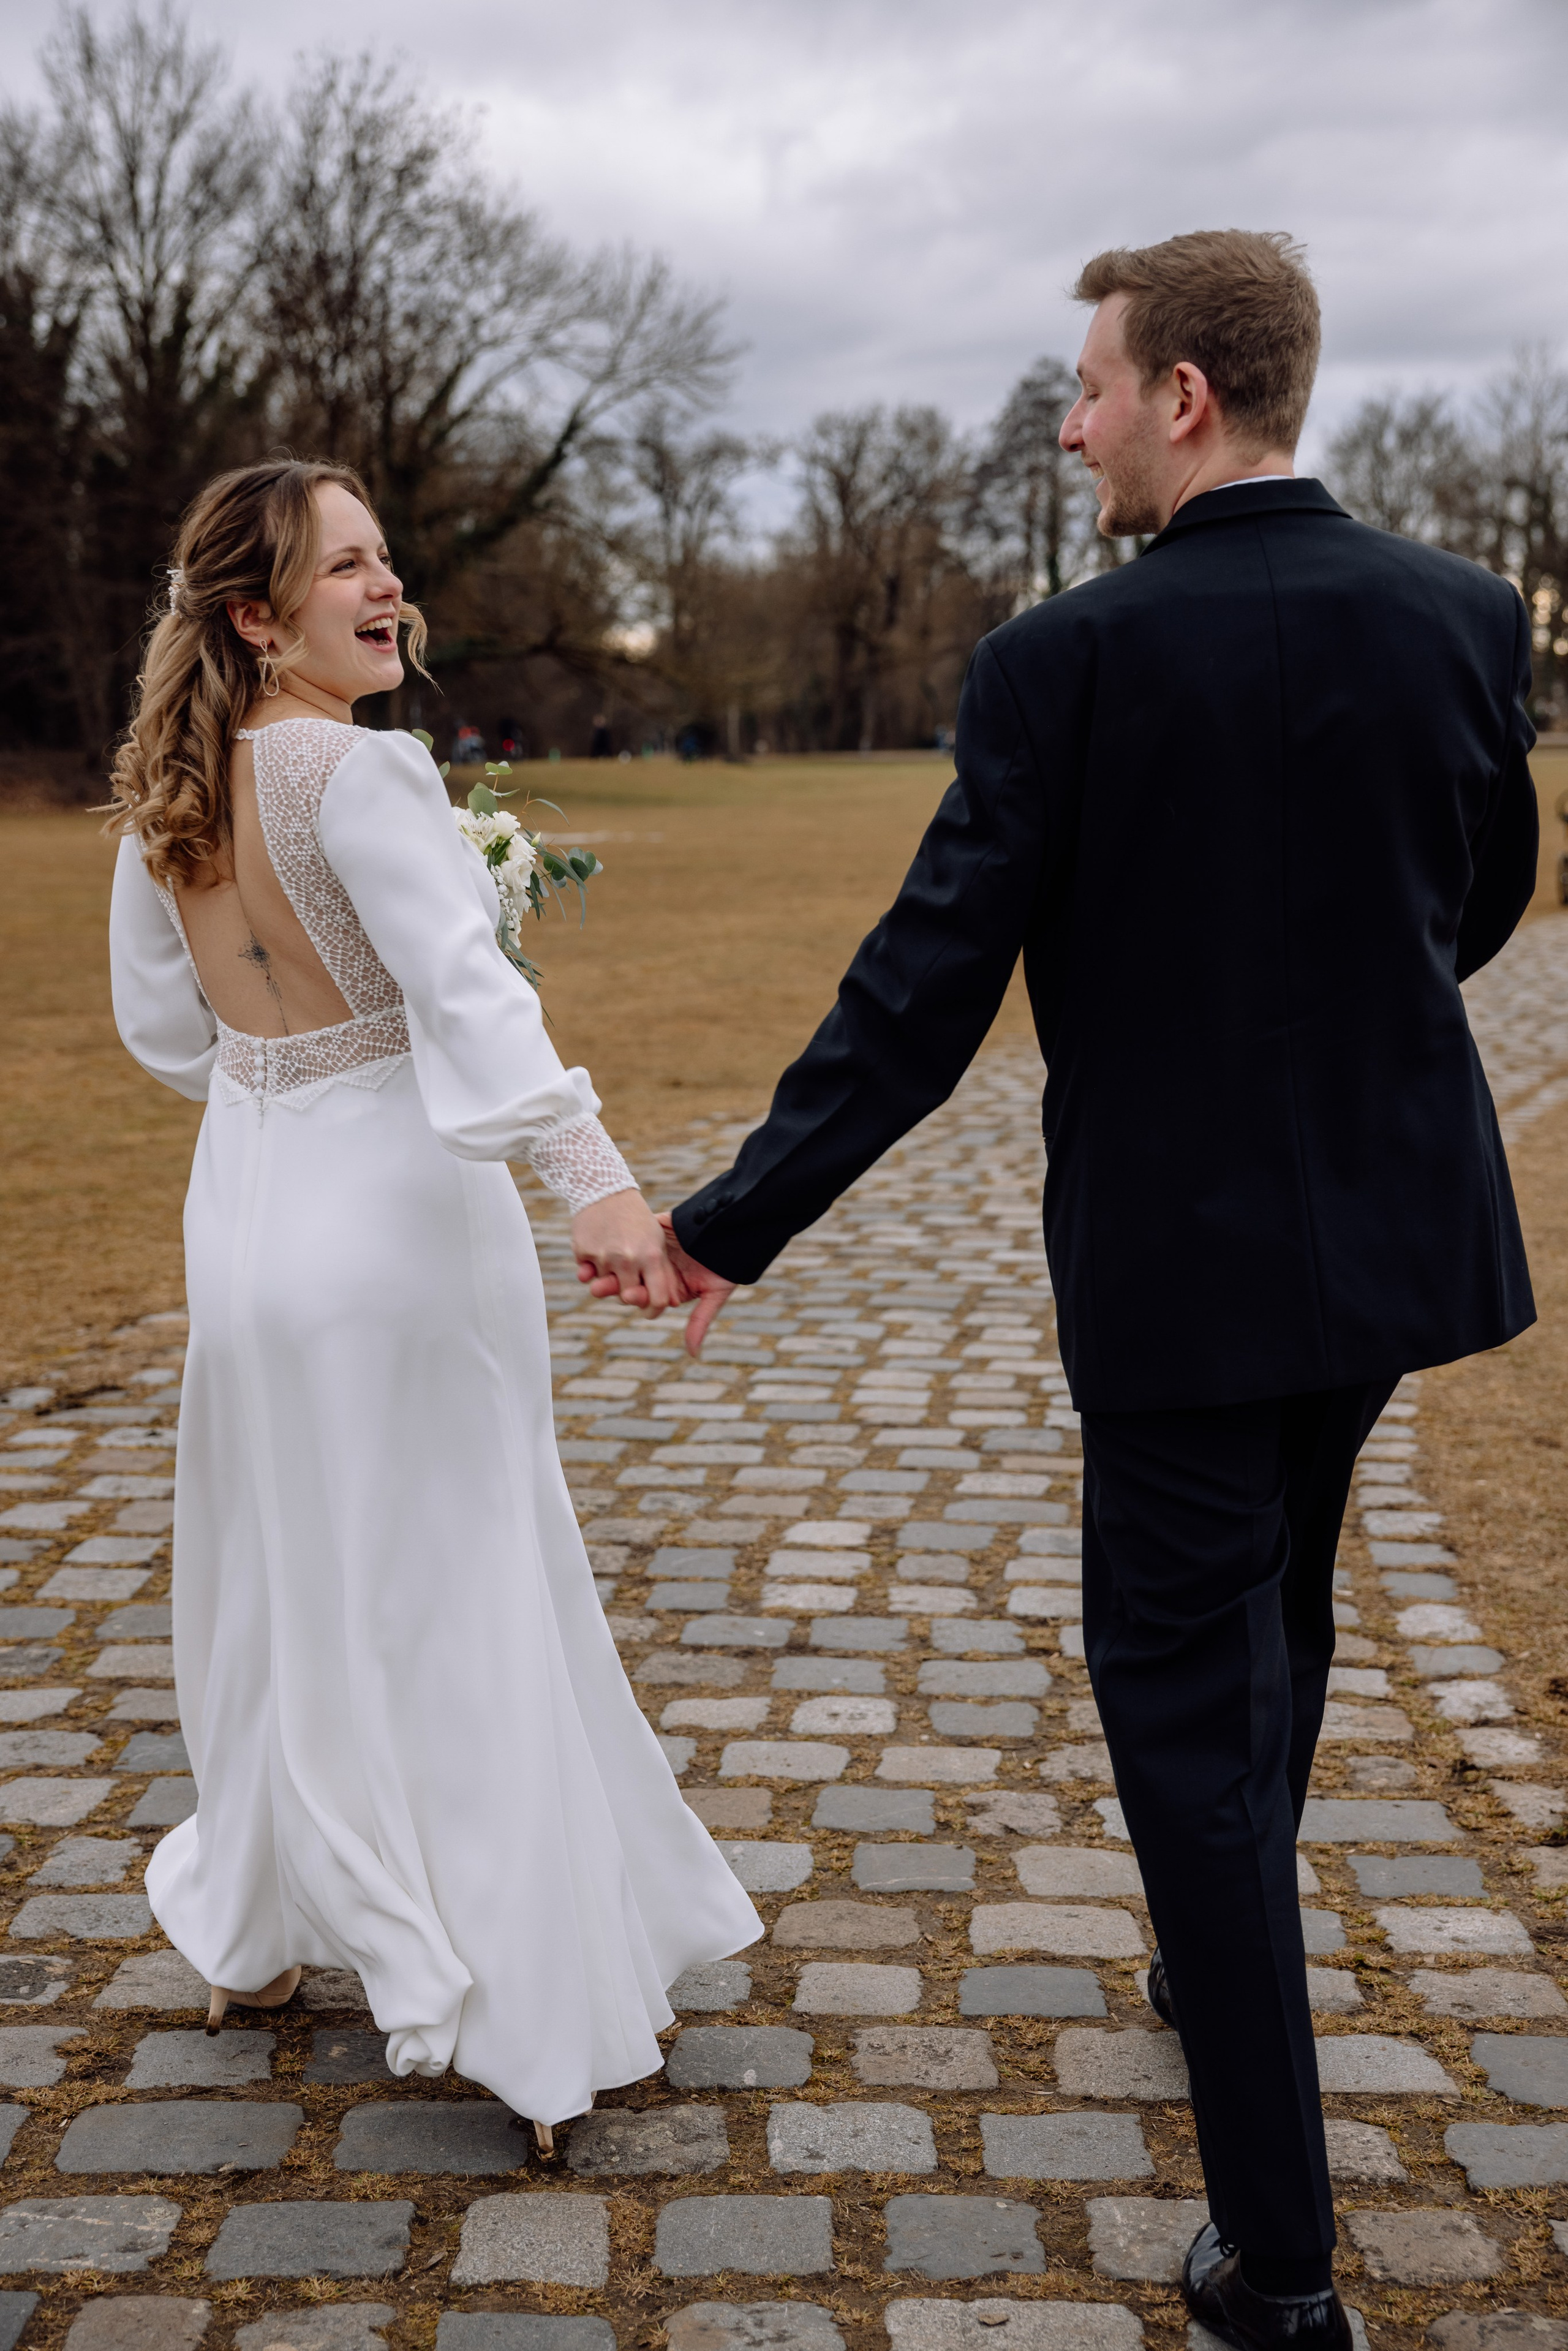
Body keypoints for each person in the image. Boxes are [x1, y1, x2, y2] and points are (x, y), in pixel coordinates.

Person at [656, 232, 1537, 2350]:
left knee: (1182, 1716)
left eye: (1087, 386)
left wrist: (729, 1217)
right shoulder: (1461, 615)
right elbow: (1487, 892)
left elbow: (927, 989)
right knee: (1287, 1603)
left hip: (1179, 1270)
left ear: (1188, 400)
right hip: (1388, 1241)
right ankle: (1211, 1950)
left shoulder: (1065, 662)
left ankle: (1285, 2262)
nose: (1068, 425)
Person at [106, 459, 760, 2146]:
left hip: (245, 1219)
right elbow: (470, 1003)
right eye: (347, 569)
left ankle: (253, 1940)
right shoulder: (364, 773)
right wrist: (599, 1186)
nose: (386, 588)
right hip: (394, 1226)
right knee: (460, 1584)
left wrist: (289, 1084)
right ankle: (534, 2024)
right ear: (260, 614)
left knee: (280, 1573)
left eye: (386, 561)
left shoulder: (170, 782)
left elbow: (171, 1036)